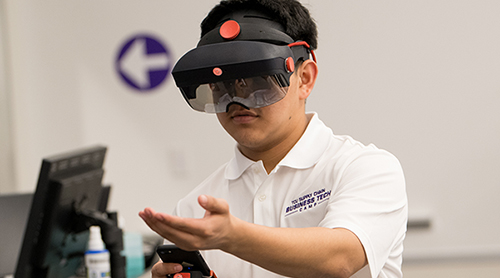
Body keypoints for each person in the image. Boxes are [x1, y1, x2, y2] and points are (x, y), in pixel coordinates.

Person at [139, 0, 408, 277]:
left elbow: (339, 260)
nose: (237, 100)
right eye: (223, 86)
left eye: (258, 81)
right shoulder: (194, 210)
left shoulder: (366, 169)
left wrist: (233, 237)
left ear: (304, 79)